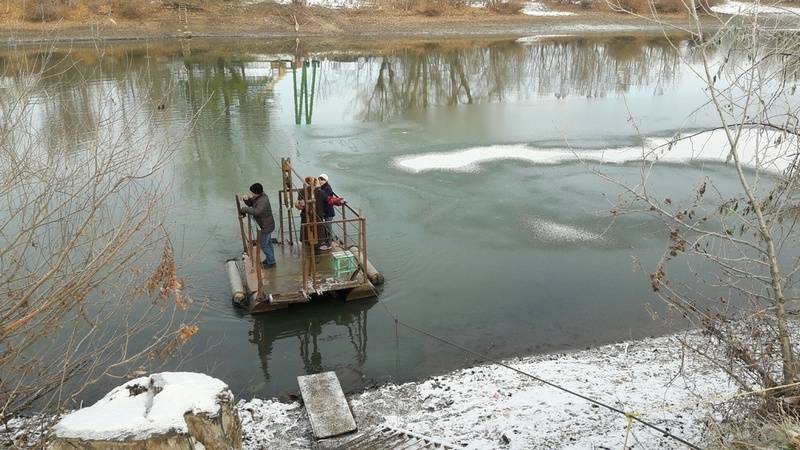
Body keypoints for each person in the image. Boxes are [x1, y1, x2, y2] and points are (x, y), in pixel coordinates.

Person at [240, 183, 276, 268]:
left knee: (263, 244)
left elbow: (257, 211)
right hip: (267, 224)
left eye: (252, 192)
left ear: (256, 192)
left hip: (266, 226)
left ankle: (271, 261)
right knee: (268, 243)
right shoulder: (259, 196)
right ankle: (270, 259)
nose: (251, 194)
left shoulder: (263, 200)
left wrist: (244, 209)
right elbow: (251, 204)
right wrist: (246, 199)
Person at [317, 174, 344, 251]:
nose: (320, 181)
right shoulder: (323, 187)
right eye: (320, 179)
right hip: (325, 211)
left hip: (328, 211)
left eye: (322, 180)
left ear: (326, 180)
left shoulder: (327, 188)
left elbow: (327, 199)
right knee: (326, 227)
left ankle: (328, 244)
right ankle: (326, 241)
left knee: (328, 228)